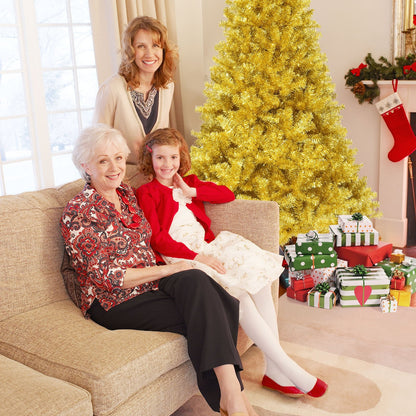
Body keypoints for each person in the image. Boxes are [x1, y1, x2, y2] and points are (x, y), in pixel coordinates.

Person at [60, 124, 256, 416]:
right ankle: (235, 397)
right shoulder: (79, 211)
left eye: (117, 158)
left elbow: (154, 236)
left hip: (150, 285)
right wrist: (167, 271)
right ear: (85, 166)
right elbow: (110, 278)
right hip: (114, 300)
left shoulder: (126, 194)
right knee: (213, 306)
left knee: (197, 280)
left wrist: (181, 265)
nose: (114, 167)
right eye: (103, 161)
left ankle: (230, 396)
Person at [136, 128, 328, 399]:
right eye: (160, 158)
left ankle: (274, 369)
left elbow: (225, 194)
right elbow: (157, 238)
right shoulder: (147, 192)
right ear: (150, 158)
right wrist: (198, 257)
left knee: (259, 279)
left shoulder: (188, 183)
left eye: (173, 157)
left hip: (206, 247)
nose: (167, 165)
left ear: (181, 157)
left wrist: (191, 189)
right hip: (181, 257)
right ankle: (286, 367)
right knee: (239, 296)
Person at [93, 16, 178, 171]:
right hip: (121, 177)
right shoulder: (112, 88)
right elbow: (97, 144)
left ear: (164, 50)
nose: (150, 53)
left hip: (156, 176)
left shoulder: (167, 86)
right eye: (141, 46)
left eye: (155, 45)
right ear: (130, 51)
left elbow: (162, 140)